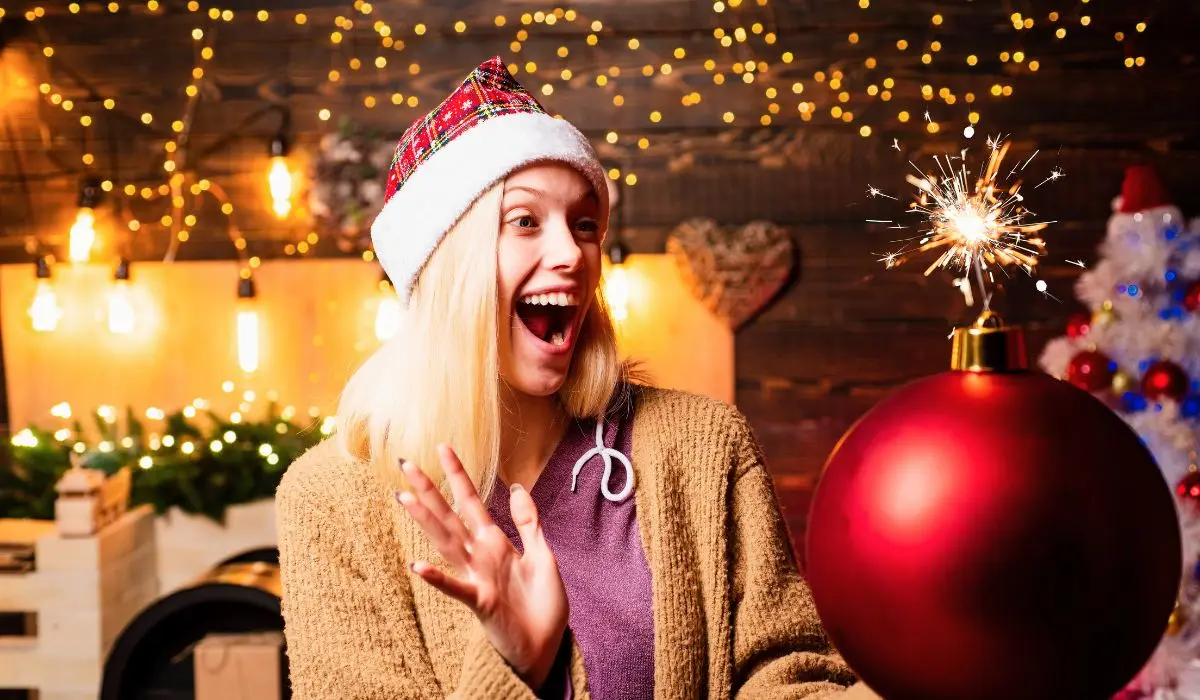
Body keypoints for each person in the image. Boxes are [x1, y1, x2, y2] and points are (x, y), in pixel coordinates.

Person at [277, 56, 879, 699]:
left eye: (585, 224)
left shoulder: (704, 444)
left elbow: (782, 674)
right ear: (448, 261)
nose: (572, 254)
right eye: (525, 221)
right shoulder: (332, 500)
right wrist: (518, 665)